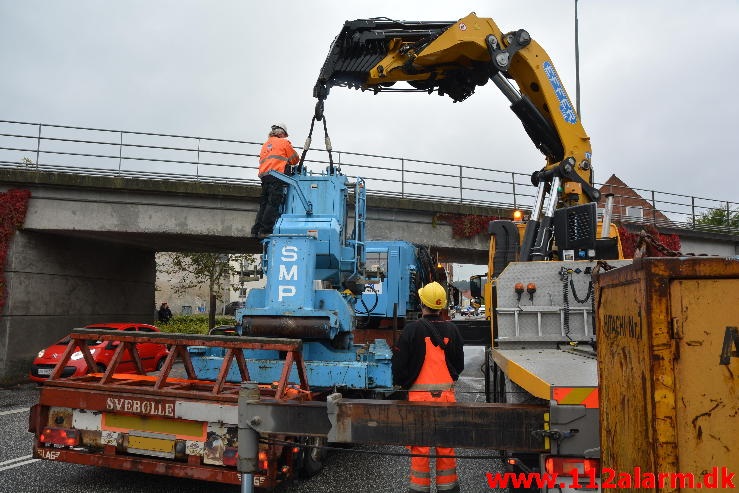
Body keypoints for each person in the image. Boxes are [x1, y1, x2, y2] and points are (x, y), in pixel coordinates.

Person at [392, 281, 464, 493]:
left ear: (422, 302)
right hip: (446, 399)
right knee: (445, 446)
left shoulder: (412, 330)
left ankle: (419, 488)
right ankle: (448, 487)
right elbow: (458, 365)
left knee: (420, 447)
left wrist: (405, 383)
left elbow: (399, 367)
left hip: (418, 400)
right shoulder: (452, 329)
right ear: (442, 306)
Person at [251, 123, 300, 238]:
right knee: (273, 202)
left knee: (264, 203)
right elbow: (295, 159)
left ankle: (255, 230)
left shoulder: (266, 144)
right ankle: (265, 230)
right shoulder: (283, 142)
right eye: (285, 135)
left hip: (265, 176)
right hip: (277, 175)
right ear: (282, 133)